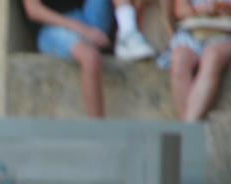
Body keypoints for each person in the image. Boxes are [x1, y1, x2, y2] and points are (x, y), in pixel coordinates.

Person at [23, 0, 157, 117]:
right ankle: (96, 132)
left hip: (85, 17)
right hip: (51, 29)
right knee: (90, 58)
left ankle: (128, 33)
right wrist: (83, 30)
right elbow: (33, 10)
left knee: (92, 54)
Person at [160, 0, 231, 121]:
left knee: (212, 57)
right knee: (179, 59)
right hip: (194, 31)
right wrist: (205, 9)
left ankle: (187, 129)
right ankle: (189, 128)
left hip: (225, 33)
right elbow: (180, 11)